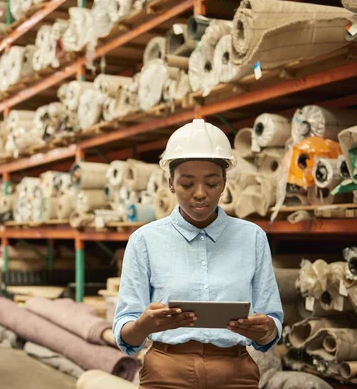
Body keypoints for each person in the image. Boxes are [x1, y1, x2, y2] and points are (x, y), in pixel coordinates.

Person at [113, 119, 283, 389]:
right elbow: (126, 333)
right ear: (170, 183)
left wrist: (266, 329)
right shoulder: (144, 241)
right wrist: (143, 325)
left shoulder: (252, 238)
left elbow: (271, 322)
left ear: (225, 182)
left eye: (212, 183)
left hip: (235, 373)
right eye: (187, 184)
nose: (200, 194)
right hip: (166, 373)